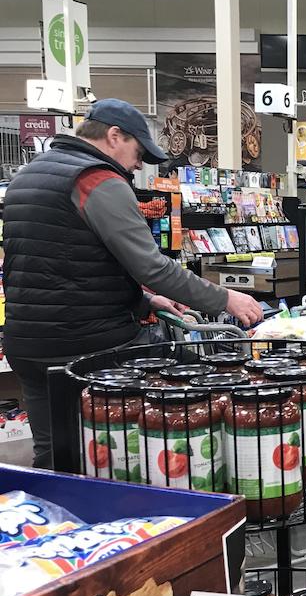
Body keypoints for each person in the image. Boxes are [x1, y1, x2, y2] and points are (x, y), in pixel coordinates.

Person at [2, 99, 263, 468]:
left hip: (28, 343)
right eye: (138, 152)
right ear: (114, 136)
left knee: (56, 453)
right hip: (89, 345)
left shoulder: (29, 175)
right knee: (147, 429)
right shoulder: (98, 180)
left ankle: (60, 517)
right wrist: (223, 298)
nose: (139, 164)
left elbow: (61, 266)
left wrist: (144, 301)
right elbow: (153, 267)